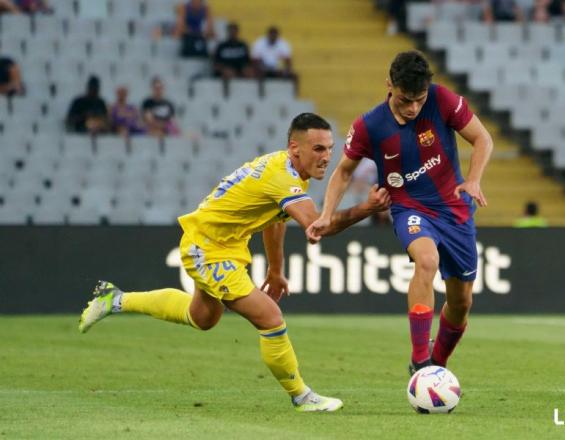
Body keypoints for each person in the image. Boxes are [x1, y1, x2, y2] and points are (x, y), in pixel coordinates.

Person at [78, 113, 391, 412]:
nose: (326, 157)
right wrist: (366, 208)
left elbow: (275, 220)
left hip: (223, 245)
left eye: (330, 149)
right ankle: (302, 397)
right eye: (318, 149)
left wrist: (276, 270)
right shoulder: (282, 178)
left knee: (202, 317)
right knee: (270, 317)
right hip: (208, 247)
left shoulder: (286, 171)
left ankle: (115, 300)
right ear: (295, 148)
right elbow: (317, 227)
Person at [306, 51, 493, 375]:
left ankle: (438, 365)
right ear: (389, 85)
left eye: (419, 100)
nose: (413, 108)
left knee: (461, 303)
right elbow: (344, 172)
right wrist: (326, 213)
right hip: (410, 207)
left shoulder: (442, 99)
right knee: (427, 260)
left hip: (455, 209)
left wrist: (474, 179)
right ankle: (421, 361)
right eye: (406, 100)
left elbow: (482, 138)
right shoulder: (370, 125)